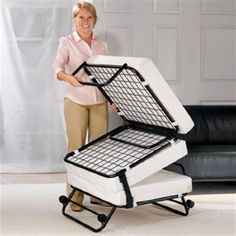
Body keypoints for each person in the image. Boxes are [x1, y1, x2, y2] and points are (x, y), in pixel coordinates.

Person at [53, 2, 113, 211]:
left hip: (98, 100)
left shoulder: (102, 44)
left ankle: (97, 194)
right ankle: (75, 196)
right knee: (76, 148)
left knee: (99, 150)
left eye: (89, 18)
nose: (85, 22)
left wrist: (112, 98)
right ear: (74, 20)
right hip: (76, 100)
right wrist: (71, 79)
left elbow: (105, 74)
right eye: (81, 18)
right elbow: (57, 69)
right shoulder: (66, 42)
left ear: (95, 20)